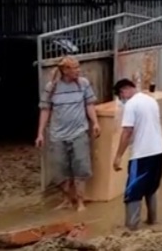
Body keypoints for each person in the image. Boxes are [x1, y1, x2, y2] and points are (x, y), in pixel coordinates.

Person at [35, 56, 100, 212]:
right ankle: (67, 200)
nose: (78, 70)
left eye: (78, 67)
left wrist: (95, 122)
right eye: (74, 68)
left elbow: (89, 105)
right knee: (60, 171)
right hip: (57, 135)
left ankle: (80, 202)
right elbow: (45, 110)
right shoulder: (52, 87)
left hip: (79, 133)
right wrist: (40, 133)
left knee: (80, 169)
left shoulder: (83, 84)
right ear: (65, 70)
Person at [112, 79, 162, 231]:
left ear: (124, 90)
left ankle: (131, 226)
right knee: (151, 187)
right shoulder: (151, 101)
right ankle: (153, 221)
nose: (122, 99)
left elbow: (127, 131)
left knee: (133, 190)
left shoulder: (131, 104)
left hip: (142, 153)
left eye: (121, 95)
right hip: (158, 150)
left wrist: (118, 156)